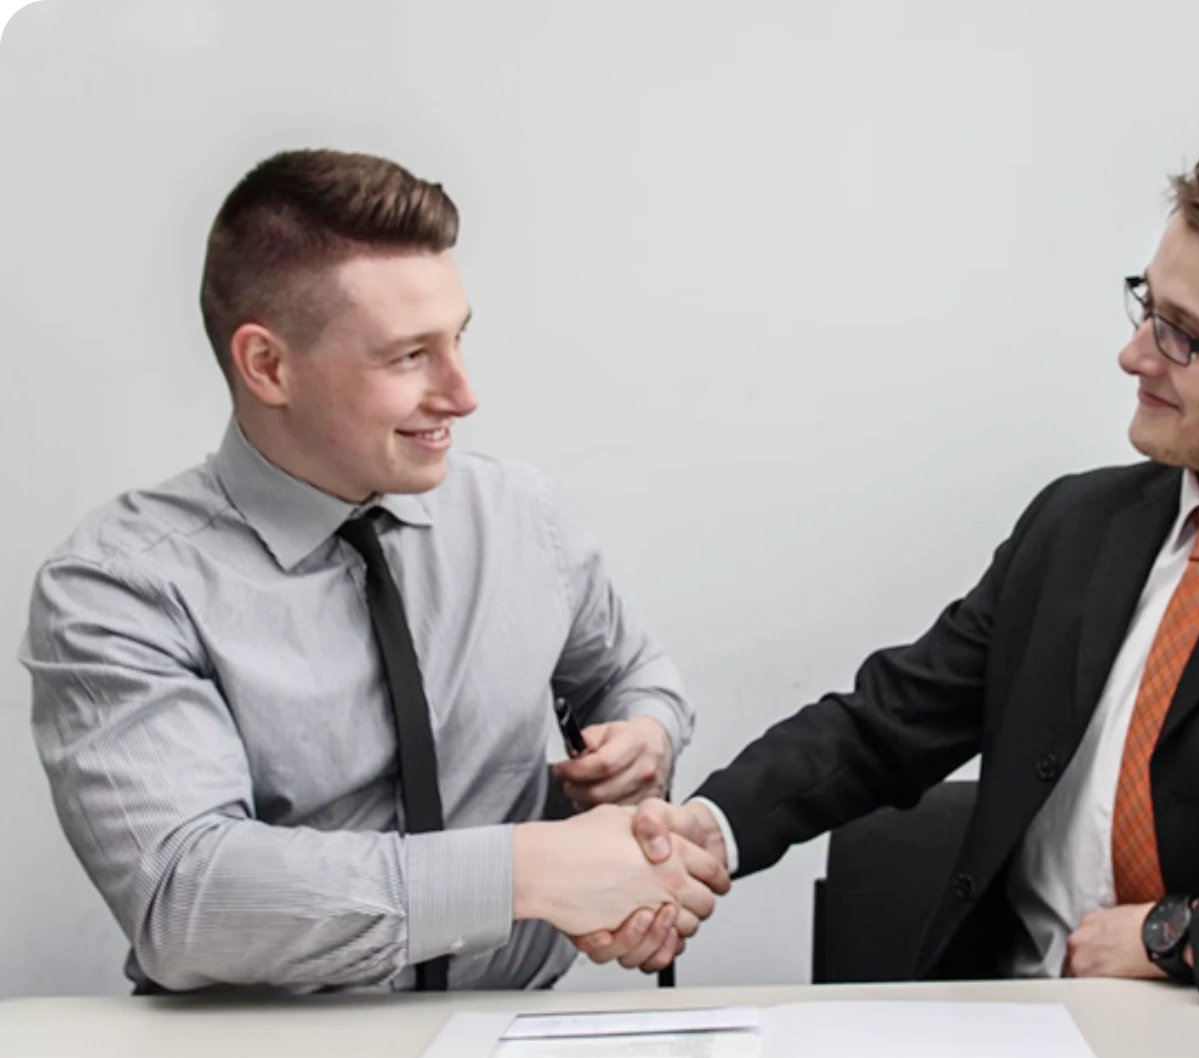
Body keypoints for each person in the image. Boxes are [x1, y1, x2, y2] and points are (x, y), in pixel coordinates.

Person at [584, 148, 1199, 1034]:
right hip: (1000, 1044)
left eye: (1184, 337)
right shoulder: (1077, 526)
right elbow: (883, 725)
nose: (1133, 353)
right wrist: (700, 833)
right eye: (1145, 307)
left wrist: (1180, 935)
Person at [20, 148, 728, 996]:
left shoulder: (521, 515)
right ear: (268, 367)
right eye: (408, 357)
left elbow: (629, 674)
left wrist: (641, 739)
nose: (463, 395)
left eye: (459, 339)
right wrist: (522, 870)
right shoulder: (118, 587)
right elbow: (187, 899)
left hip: (516, 1040)